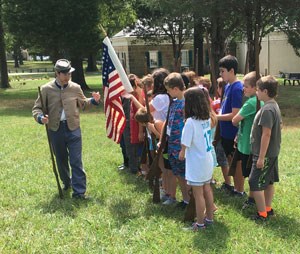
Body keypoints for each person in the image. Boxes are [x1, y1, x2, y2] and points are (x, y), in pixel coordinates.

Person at [32, 59, 100, 199]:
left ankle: (79, 192)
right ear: (57, 73)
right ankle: (67, 182)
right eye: (65, 74)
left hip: (73, 128)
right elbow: (37, 108)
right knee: (61, 159)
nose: (68, 76)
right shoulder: (46, 89)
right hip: (55, 129)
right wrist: (40, 118)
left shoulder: (75, 87)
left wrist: (93, 100)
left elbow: (83, 104)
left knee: (76, 160)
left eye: (69, 73)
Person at [179, 87, 215, 231]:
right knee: (207, 189)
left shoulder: (190, 122)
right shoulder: (206, 118)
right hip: (207, 159)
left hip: (197, 162)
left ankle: (199, 224)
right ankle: (210, 218)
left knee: (198, 193)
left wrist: (182, 152)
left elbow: (185, 143)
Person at [248, 75, 282, 221]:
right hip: (272, 152)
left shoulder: (267, 110)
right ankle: (267, 209)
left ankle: (262, 214)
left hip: (265, 154)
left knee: (254, 182)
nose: (256, 92)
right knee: (268, 181)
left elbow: (266, 134)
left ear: (266, 92)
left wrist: (261, 157)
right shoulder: (274, 105)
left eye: (258, 90)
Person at [232, 71, 263, 203]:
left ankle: (252, 198)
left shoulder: (251, 103)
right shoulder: (260, 101)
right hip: (250, 142)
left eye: (246, 86)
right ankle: (251, 197)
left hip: (246, 145)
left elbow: (234, 120)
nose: (243, 89)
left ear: (255, 88)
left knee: (249, 172)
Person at [217, 55, 243, 194]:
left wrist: (215, 117)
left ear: (231, 70)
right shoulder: (228, 86)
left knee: (236, 164)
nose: (221, 74)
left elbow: (235, 115)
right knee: (229, 161)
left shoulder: (237, 88)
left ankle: (240, 190)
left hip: (233, 133)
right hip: (225, 132)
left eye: (222, 71)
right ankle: (234, 187)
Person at [163, 72, 189, 207]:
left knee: (185, 176)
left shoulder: (186, 104)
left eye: (168, 90)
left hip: (181, 146)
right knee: (178, 174)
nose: (168, 93)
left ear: (175, 89)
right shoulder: (173, 103)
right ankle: (185, 200)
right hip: (172, 144)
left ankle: (190, 200)